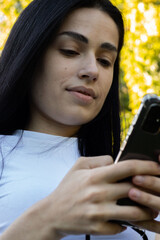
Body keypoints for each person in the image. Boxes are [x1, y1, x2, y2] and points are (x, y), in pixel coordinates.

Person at [0, 0, 160, 239]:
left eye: (105, 60)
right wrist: (47, 220)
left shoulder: (128, 174)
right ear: (30, 54)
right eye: (70, 51)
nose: (92, 70)